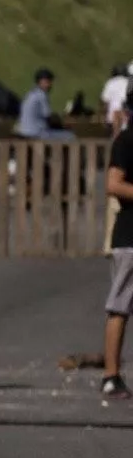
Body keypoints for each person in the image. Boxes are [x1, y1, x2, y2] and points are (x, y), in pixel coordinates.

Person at [101, 112, 133, 400]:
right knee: (121, 306)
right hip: (131, 235)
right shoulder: (127, 140)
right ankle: (111, 375)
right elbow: (114, 184)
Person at [17, 67, 68, 140]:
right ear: (41, 82)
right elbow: (48, 117)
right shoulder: (41, 95)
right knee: (70, 136)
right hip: (36, 133)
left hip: (24, 132)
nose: (50, 85)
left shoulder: (30, 94)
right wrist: (62, 125)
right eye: (48, 82)